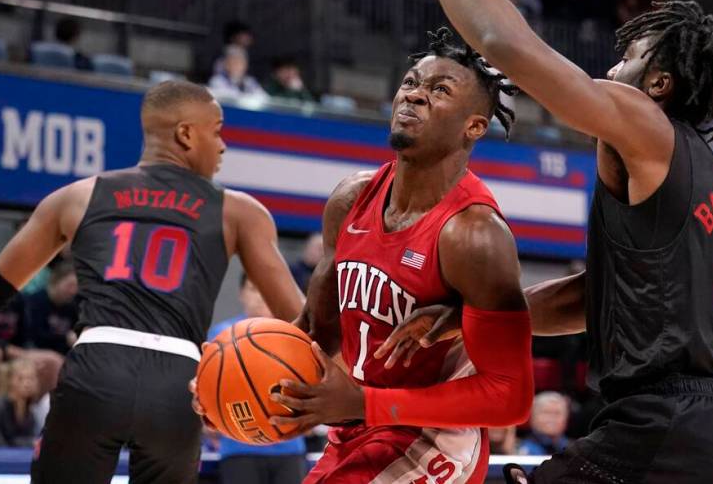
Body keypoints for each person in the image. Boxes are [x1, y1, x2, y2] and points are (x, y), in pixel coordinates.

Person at [384, 0, 713, 482]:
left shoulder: (645, 123)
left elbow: (506, 47)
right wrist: (475, 321)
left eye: (629, 56)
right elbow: (593, 299)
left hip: (661, 427)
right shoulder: (696, 173)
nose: (613, 63)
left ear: (657, 84)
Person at [196, 28, 535, 483]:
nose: (414, 96)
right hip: (358, 426)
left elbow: (509, 397)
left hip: (433, 441)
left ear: (474, 125)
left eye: (439, 90)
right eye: (411, 82)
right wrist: (233, 381)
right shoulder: (350, 199)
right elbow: (316, 332)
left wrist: (365, 403)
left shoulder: (474, 236)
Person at [0, 81, 305, 484]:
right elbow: (301, 323)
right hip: (179, 383)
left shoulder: (77, 197)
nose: (223, 145)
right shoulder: (239, 211)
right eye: (217, 130)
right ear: (185, 134)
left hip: (96, 368)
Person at [209, 276, 307, 484]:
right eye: (254, 289)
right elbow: (206, 394)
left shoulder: (295, 335)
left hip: (290, 448)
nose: (261, 296)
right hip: (238, 449)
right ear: (241, 294)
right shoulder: (221, 336)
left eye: (266, 288)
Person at [0, 358, 42, 447]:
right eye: (21, 379)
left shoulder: (30, 412)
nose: (27, 384)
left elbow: (31, 439)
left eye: (31, 379)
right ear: (10, 381)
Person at [20, 261, 79, 355]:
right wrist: (65, 338)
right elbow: (34, 335)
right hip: (33, 350)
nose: (73, 291)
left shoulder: (72, 308)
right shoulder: (35, 301)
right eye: (69, 285)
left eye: (76, 287)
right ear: (56, 280)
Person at [519, 392, 572, 456]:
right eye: (546, 412)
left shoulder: (576, 449)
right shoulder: (519, 450)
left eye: (557, 413)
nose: (552, 418)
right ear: (532, 416)